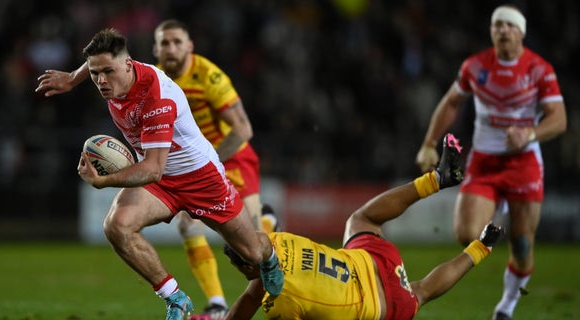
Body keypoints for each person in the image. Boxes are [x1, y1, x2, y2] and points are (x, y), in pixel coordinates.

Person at [35, 20, 277, 318]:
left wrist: (103, 181)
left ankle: (274, 257)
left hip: (200, 178)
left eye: (107, 72)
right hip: (161, 182)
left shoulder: (156, 98)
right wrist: (74, 77)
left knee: (252, 254)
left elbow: (152, 169)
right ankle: (175, 298)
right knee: (117, 226)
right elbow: (100, 62)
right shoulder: (115, 72)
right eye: (95, 73)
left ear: (128, 65)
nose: (100, 81)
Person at [223, 133, 505, 319]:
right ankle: (436, 179)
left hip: (382, 307)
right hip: (371, 260)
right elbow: (250, 294)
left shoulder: (280, 304)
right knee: (361, 220)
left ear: (248, 267)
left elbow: (252, 298)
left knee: (421, 292)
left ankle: (482, 246)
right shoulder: (279, 240)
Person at [414, 5, 567, 320]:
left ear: (521, 32)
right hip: (484, 162)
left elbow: (560, 119)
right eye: (497, 25)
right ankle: (500, 208)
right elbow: (450, 102)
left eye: (510, 25)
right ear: (491, 31)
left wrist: (530, 133)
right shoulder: (475, 66)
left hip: (524, 163)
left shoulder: (539, 69)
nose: (503, 30)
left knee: (522, 246)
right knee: (466, 233)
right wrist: (429, 143)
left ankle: (506, 306)